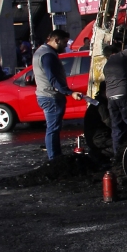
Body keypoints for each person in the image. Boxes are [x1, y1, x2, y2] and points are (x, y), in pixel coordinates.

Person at [33, 30, 84, 161]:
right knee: (53, 129)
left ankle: (56, 156)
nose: (66, 46)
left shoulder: (41, 51)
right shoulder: (48, 55)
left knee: (53, 128)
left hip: (45, 95)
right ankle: (54, 159)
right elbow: (53, 78)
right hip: (51, 97)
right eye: (64, 42)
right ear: (56, 40)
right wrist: (69, 92)